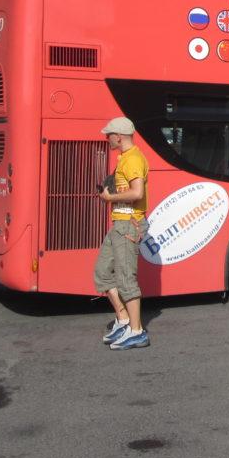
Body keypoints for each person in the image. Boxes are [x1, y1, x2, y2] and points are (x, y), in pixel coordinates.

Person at [95, 117, 151, 350]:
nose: (107, 138)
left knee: (126, 279)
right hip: (120, 223)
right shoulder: (125, 158)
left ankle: (137, 332)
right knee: (102, 273)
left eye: (109, 135)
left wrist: (110, 198)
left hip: (129, 224)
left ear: (118, 137)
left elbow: (137, 193)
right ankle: (124, 320)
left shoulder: (134, 159)